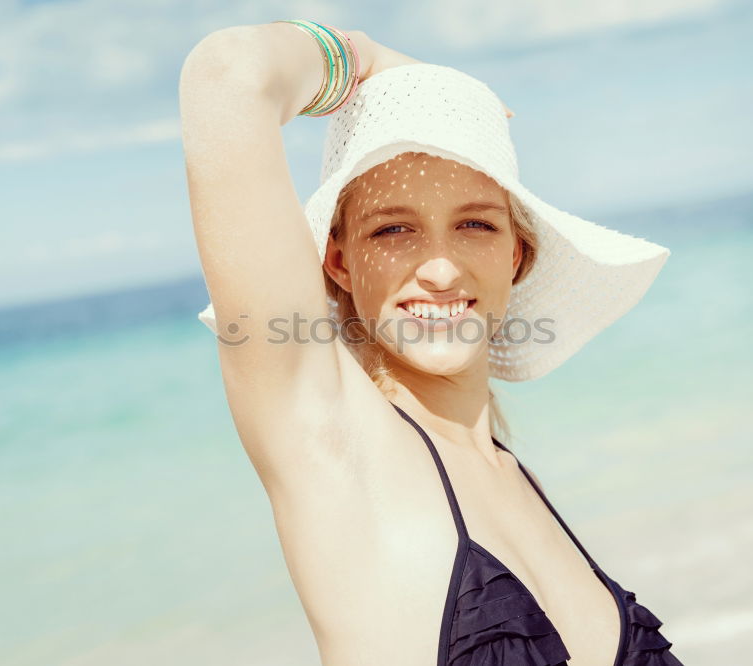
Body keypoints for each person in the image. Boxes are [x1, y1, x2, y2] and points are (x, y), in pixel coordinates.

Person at [179, 19, 683, 666]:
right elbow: (229, 71)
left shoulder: (509, 472)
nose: (441, 270)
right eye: (392, 230)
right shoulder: (335, 446)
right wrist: (370, 57)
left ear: (516, 257)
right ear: (338, 263)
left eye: (474, 224)